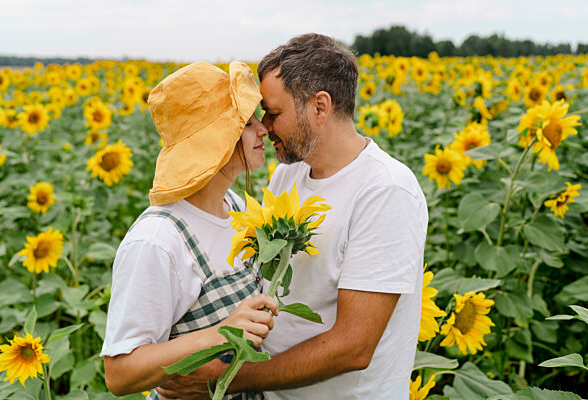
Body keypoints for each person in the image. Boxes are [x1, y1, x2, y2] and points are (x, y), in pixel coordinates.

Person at [155, 34, 428, 400]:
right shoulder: (290, 174)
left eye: (274, 112)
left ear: (320, 107)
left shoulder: (386, 191)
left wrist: (229, 378)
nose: (263, 127)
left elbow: (354, 346)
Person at [100, 61, 278, 400]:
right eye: (247, 122)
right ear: (216, 138)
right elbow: (120, 373)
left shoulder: (237, 208)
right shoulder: (157, 241)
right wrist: (220, 333)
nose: (263, 130)